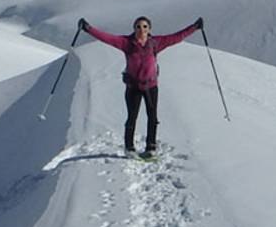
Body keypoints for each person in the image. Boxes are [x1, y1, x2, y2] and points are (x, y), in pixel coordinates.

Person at [79, 15, 203, 158]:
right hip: (133, 87)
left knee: (153, 117)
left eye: (144, 26)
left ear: (149, 29)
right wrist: (88, 29)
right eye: (138, 26)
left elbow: (176, 37)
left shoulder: (156, 43)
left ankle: (151, 147)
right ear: (134, 28)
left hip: (151, 86)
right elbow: (107, 38)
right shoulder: (126, 43)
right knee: (132, 117)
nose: (141, 29)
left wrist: (195, 27)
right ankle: (129, 148)